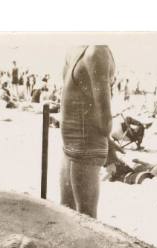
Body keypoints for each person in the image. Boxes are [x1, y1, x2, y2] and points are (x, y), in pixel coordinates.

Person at [60, 45, 116, 218]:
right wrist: (110, 147)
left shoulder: (75, 49)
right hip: (87, 143)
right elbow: (105, 119)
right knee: (86, 218)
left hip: (70, 140)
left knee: (67, 213)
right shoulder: (98, 51)